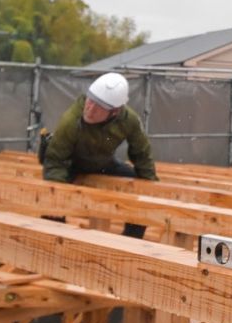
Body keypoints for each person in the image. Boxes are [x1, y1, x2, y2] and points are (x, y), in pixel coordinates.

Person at [41, 73, 154, 239]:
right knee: (52, 206)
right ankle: (55, 241)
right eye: (90, 100)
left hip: (103, 163)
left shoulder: (129, 121)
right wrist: (56, 200)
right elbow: (55, 160)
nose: (90, 109)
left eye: (99, 106)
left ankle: (130, 242)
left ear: (115, 111)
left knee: (138, 189)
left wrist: (149, 189)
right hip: (69, 164)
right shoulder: (72, 121)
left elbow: (142, 155)